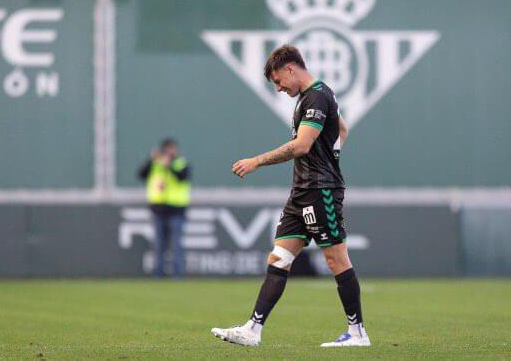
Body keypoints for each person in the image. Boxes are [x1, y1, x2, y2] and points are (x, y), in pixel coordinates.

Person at [210, 45, 370, 347]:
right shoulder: (315, 98)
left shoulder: (317, 96)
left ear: (290, 69)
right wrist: (332, 151)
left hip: (319, 190)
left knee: (336, 259)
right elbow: (342, 128)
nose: (279, 88)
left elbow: (301, 146)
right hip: (302, 192)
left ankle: (358, 333)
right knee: (279, 258)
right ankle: (252, 330)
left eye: (278, 80)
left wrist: (257, 161)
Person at [138, 138, 191, 278]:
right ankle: (158, 273)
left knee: (176, 244)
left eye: (172, 149)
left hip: (176, 210)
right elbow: (141, 174)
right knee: (158, 244)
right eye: (168, 149)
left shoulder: (181, 163)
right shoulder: (155, 164)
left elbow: (182, 177)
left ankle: (177, 273)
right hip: (158, 210)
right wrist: (150, 160)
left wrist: (170, 166)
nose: (170, 152)